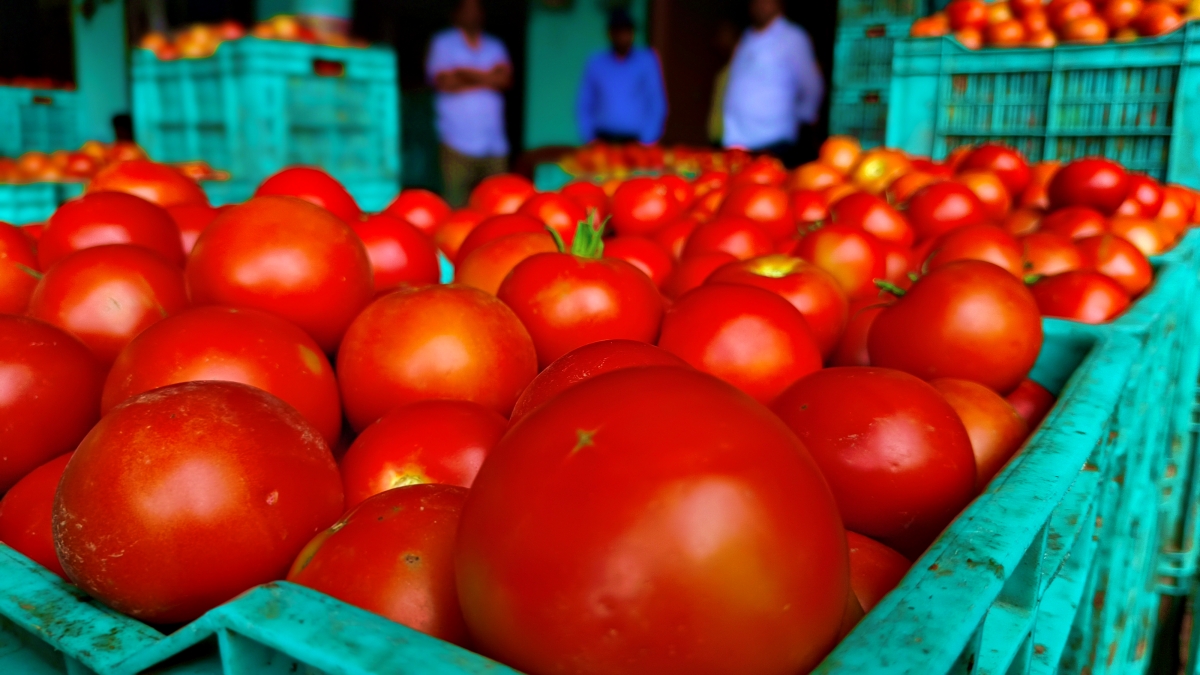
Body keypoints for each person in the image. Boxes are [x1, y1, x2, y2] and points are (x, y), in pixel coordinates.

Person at [427, 0, 513, 207]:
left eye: (477, 9)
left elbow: (505, 80)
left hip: (494, 142)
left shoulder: (495, 45)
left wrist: (464, 72)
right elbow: (444, 82)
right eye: (467, 9)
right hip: (457, 139)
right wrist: (488, 76)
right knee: (456, 205)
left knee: (499, 204)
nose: (472, 14)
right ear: (456, 14)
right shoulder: (443, 43)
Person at [722, 0, 825, 167]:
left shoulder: (792, 37)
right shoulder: (747, 37)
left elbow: (812, 87)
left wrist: (798, 119)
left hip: (773, 142)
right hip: (738, 141)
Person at [575, 9, 667, 145]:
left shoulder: (647, 61)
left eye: (627, 32)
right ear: (610, 34)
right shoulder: (596, 62)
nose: (623, 37)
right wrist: (589, 137)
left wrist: (648, 140)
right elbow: (584, 102)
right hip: (602, 138)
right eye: (619, 32)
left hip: (636, 140)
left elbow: (657, 102)